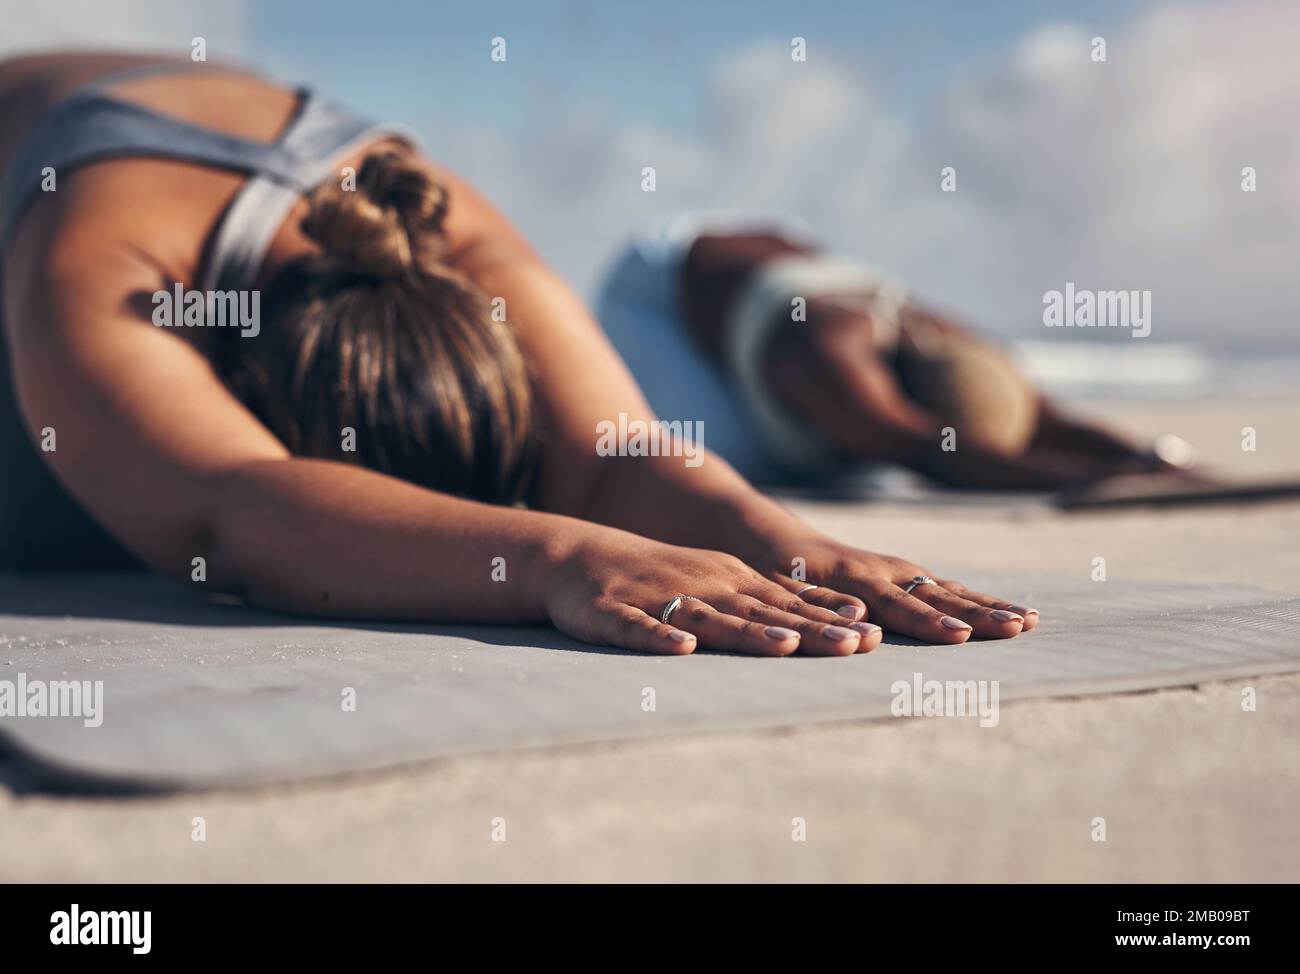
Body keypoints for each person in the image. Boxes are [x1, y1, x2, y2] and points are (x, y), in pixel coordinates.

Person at [0, 52, 1036, 657]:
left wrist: (783, 538)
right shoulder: (105, 261)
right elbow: (237, 504)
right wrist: (556, 555)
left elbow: (611, 451)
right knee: (92, 512)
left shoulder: (448, 233)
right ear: (240, 385)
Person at [597, 212, 1182, 491]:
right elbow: (926, 450)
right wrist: (1102, 478)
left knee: (851, 465)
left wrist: (1146, 456)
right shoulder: (831, 360)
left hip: (765, 265)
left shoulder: (954, 343)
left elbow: (1047, 418)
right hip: (657, 290)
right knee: (725, 461)